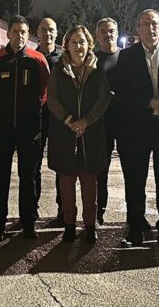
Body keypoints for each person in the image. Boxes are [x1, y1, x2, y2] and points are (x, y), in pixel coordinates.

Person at [114, 9, 159, 250]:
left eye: (154, 23)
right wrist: (149, 102)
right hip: (136, 128)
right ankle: (135, 229)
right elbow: (121, 92)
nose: (150, 28)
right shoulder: (126, 57)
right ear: (138, 28)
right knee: (135, 179)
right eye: (145, 24)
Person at [0, 15, 50, 240]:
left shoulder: (37, 59)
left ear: (27, 34)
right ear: (7, 33)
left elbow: (43, 93)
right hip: (1, 130)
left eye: (23, 32)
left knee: (28, 177)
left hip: (28, 130)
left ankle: (28, 222)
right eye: (15, 31)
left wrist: (31, 119)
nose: (19, 36)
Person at [46, 25, 112, 244]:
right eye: (74, 42)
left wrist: (85, 121)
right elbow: (52, 98)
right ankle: (69, 225)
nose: (78, 46)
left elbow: (103, 100)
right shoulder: (58, 68)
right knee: (66, 183)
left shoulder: (98, 68)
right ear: (67, 45)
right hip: (64, 134)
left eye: (82, 42)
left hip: (90, 134)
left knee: (89, 184)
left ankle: (90, 225)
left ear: (89, 45)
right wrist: (69, 120)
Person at [35, 17, 63, 221]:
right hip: (35, 119)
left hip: (59, 119)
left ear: (56, 33)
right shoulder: (30, 56)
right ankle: (32, 208)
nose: (48, 34)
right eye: (44, 30)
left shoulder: (64, 57)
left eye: (51, 30)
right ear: (38, 32)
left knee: (61, 165)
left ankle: (63, 209)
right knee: (33, 165)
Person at [94, 17, 121, 226]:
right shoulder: (92, 60)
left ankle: (135, 215)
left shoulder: (128, 57)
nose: (107, 34)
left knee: (132, 170)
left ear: (117, 32)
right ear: (97, 35)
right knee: (100, 169)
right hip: (100, 124)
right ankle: (98, 210)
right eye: (103, 31)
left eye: (111, 30)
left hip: (125, 123)